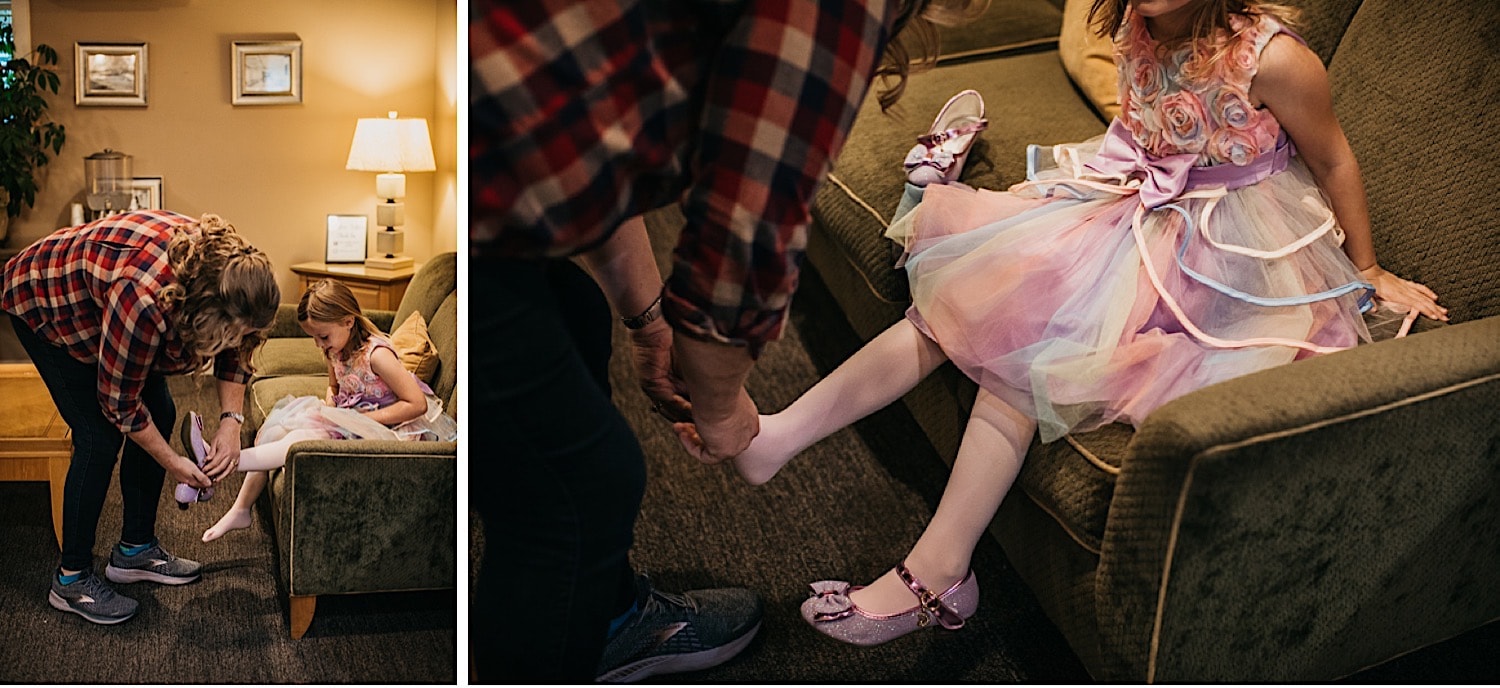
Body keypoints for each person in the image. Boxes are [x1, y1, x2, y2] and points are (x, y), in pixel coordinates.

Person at [675, 0, 1448, 647]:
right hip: (1137, 205)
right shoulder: (1133, 25)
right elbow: (1147, 132)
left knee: (1030, 346)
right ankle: (779, 436)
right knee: (960, 303)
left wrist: (1370, 269)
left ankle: (941, 570)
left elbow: (1336, 157)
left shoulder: (1276, 58)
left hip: (1233, 251)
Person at [468, 0, 988, 680]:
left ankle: (602, 612)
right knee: (585, 487)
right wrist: (719, 410)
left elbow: (586, 153)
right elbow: (743, 231)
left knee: (577, 316)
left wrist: (648, 317)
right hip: (483, 187)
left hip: (500, 164)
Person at [1, 210, 280, 625]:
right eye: (230, 332)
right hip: (49, 304)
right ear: (203, 313)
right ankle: (71, 578)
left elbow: (239, 349)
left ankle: (134, 550)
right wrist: (173, 464)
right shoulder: (144, 298)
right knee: (98, 437)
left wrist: (230, 422)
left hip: (110, 300)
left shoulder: (238, 282)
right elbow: (119, 402)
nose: (236, 342)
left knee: (163, 410)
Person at [198, 279, 456, 542]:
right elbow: (333, 387)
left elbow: (417, 404)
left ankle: (225, 461)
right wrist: (331, 402)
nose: (319, 345)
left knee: (296, 442)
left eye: (323, 336)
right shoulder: (335, 350)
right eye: (314, 338)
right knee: (277, 431)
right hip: (347, 418)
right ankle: (240, 508)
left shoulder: (377, 356)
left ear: (348, 321)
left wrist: (363, 419)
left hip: (388, 427)